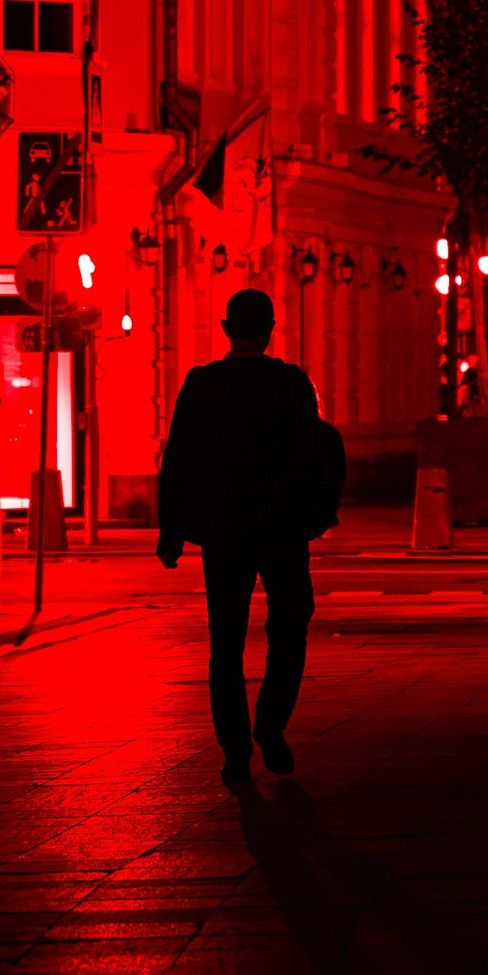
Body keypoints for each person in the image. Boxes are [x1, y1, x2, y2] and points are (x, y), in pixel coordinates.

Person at [158, 287, 332, 783]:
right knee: (291, 624)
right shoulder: (289, 381)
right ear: (271, 328)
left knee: (226, 640)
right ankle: (271, 720)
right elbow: (314, 449)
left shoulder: (201, 383)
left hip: (223, 529)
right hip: (281, 525)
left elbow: (178, 457)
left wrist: (172, 530)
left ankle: (234, 750)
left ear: (226, 329)